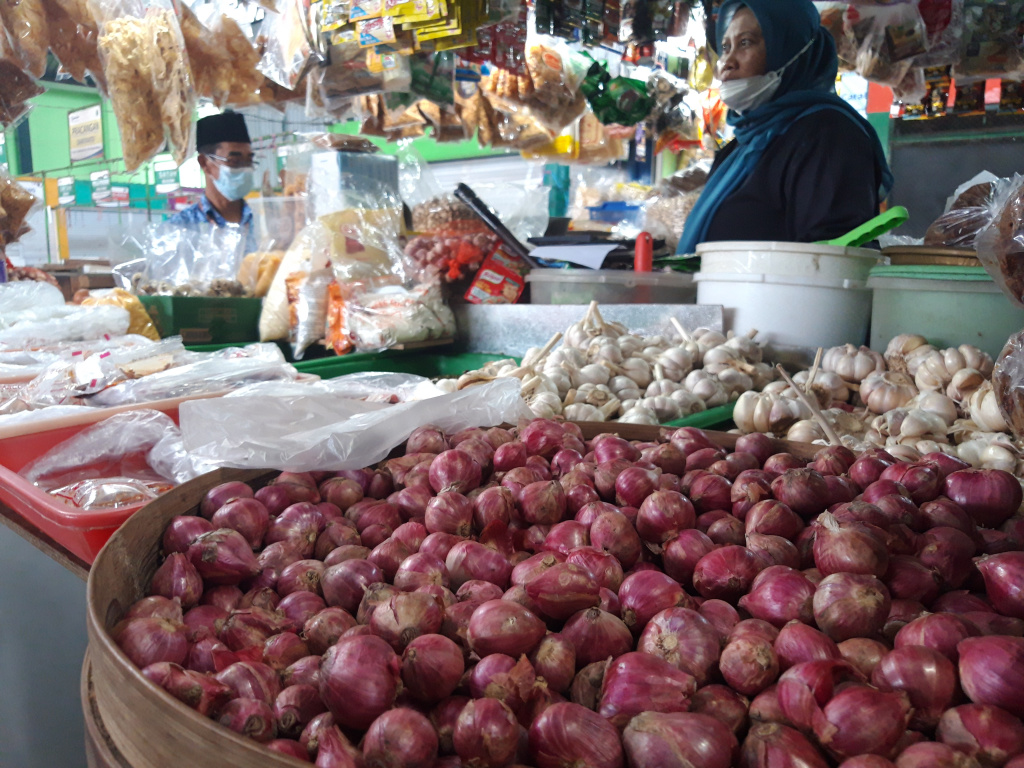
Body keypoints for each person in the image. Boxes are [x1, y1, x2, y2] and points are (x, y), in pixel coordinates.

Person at [677, 0, 894, 253]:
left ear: (791, 48)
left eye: (746, 42)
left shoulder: (829, 134)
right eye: (725, 47)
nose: (727, 62)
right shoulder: (740, 146)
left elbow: (830, 259)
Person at [170, 112, 256, 231]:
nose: (245, 169)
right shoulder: (180, 228)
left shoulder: (264, 222)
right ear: (205, 163)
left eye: (249, 161)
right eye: (234, 161)